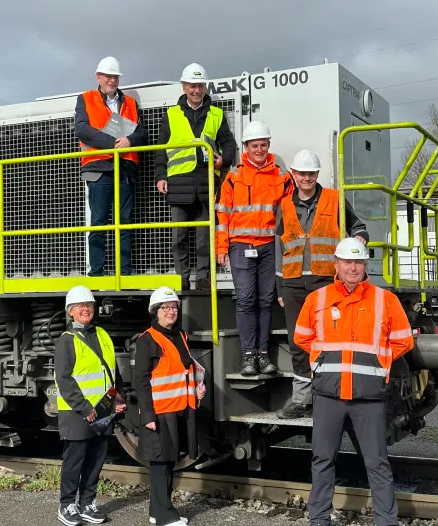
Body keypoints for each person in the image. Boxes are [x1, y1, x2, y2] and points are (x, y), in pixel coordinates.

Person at [294, 238, 414, 526]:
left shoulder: (385, 299)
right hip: (328, 396)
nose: (353, 267)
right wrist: (323, 361)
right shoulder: (317, 299)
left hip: (368, 398)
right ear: (337, 264)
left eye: (358, 262)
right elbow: (301, 336)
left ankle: (387, 521)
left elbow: (403, 340)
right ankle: (319, 519)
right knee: (322, 460)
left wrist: (379, 362)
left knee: (377, 463)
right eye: (347, 262)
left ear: (365, 266)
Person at [275, 149, 369, 419]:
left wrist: (361, 236)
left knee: (330, 339)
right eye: (302, 173)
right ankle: (302, 400)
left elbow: (358, 226)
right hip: (292, 283)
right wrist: (279, 286)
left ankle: (330, 396)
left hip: (326, 281)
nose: (307, 178)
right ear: (293, 174)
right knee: (298, 342)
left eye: (312, 173)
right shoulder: (283, 205)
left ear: (317, 174)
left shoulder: (334, 199)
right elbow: (277, 248)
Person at [216, 121, 294, 376]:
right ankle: (248, 357)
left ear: (268, 145)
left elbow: (289, 217)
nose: (259, 149)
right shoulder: (234, 175)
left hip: (269, 247)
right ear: (246, 147)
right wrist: (221, 247)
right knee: (246, 301)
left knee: (264, 301)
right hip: (240, 245)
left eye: (263, 145)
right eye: (254, 145)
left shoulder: (282, 176)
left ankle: (263, 355)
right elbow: (223, 215)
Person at [155, 63, 237, 291]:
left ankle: (203, 279)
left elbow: (229, 143)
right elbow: (161, 149)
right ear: (184, 87)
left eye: (200, 85)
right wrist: (160, 176)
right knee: (178, 236)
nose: (197, 90)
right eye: (192, 85)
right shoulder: (171, 114)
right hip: (178, 183)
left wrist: (224, 159)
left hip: (205, 182)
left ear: (205, 88)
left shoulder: (216, 114)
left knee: (204, 237)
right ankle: (181, 278)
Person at [55, 285, 127, 526]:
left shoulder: (102, 335)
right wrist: (84, 407)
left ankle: (87, 503)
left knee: (96, 458)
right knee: (75, 460)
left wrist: (119, 398)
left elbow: (112, 371)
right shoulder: (66, 341)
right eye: (80, 306)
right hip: (77, 412)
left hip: (103, 409)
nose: (85, 309)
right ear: (70, 312)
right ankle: (66, 506)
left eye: (89, 305)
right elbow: (63, 379)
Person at [135, 286, 206, 526]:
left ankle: (158, 511)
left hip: (177, 409)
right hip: (159, 412)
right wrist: (147, 415)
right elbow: (141, 380)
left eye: (174, 307)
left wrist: (197, 386)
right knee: (160, 463)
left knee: (168, 462)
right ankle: (164, 514)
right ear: (155, 312)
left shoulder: (180, 335)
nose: (171, 311)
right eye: (165, 308)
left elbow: (183, 370)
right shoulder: (147, 340)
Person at [75, 56, 148, 277]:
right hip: (99, 168)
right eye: (108, 76)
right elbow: (83, 130)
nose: (112, 80)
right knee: (99, 221)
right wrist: (113, 143)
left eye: (115, 76)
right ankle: (97, 272)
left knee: (124, 222)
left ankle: (124, 272)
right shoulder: (85, 99)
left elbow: (141, 132)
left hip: (125, 168)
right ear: (98, 77)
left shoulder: (130, 104)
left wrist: (129, 141)